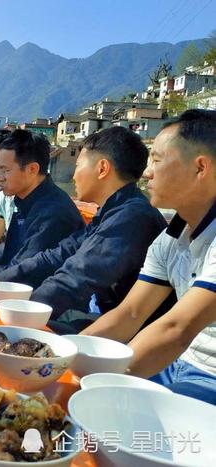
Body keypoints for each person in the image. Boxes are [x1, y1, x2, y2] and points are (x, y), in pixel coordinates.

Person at [81, 110, 216, 404]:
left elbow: (177, 329)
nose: (146, 172)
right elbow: (129, 314)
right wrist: (67, 355)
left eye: (157, 159)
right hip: (174, 365)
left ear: (200, 168)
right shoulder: (171, 238)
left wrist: (102, 385)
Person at [0, 126, 167, 333]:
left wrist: (24, 311)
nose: (74, 176)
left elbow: (77, 276)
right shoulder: (111, 211)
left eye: (78, 165)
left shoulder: (131, 216)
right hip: (99, 313)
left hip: (125, 332)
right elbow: (58, 255)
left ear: (102, 168)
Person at [0, 130, 84, 278]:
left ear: (32, 169)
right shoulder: (23, 200)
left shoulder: (53, 211)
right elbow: (13, 251)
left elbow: (24, 270)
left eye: (4, 170)